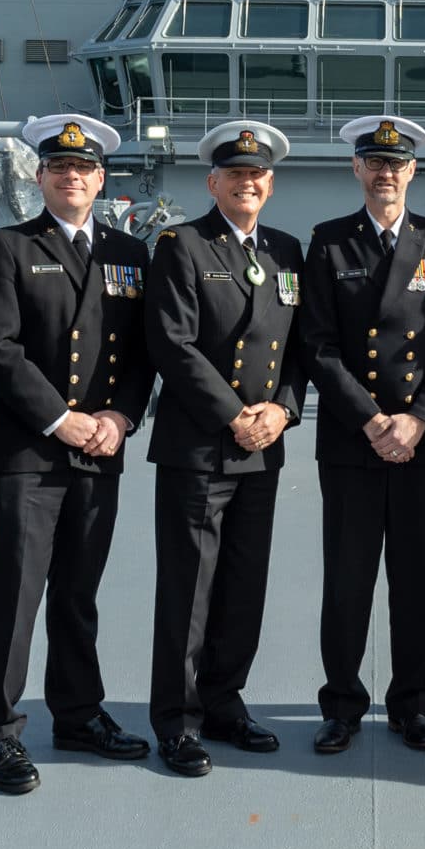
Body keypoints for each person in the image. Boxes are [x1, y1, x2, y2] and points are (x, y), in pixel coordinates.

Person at [0, 113, 159, 795]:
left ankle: (77, 713)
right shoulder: (9, 247)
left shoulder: (129, 252)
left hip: (101, 446)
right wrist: (60, 418)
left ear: (101, 180)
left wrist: (120, 416)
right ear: (41, 177)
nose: (72, 177)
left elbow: (144, 350)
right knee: (15, 594)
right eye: (59, 168)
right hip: (30, 449)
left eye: (83, 168)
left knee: (78, 592)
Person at [296, 115, 425, 755]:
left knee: (416, 578)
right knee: (346, 580)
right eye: (374, 162)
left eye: (396, 164)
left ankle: (413, 704)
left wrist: (417, 419)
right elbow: (317, 344)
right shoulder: (329, 243)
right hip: (354, 439)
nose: (386, 173)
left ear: (412, 171)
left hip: (419, 441)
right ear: (357, 169)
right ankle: (342, 704)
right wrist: (371, 419)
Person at [144, 120, 308, 778]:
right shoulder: (182, 246)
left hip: (262, 446)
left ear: (270, 184)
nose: (248, 183)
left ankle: (223, 699)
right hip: (199, 446)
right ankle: (177, 719)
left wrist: (282, 410)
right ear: (213, 183)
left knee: (243, 583)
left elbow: (299, 347)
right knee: (190, 588)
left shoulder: (286, 251)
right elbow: (172, 344)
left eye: (257, 174)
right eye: (235, 174)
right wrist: (235, 414)